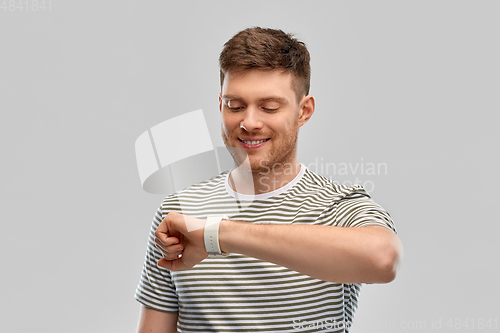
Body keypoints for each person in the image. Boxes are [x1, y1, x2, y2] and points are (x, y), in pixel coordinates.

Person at [135, 27, 403, 333]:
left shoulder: (338, 207)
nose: (249, 122)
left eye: (269, 107)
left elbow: (383, 259)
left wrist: (216, 235)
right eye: (235, 106)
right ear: (220, 103)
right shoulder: (182, 210)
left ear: (304, 111)